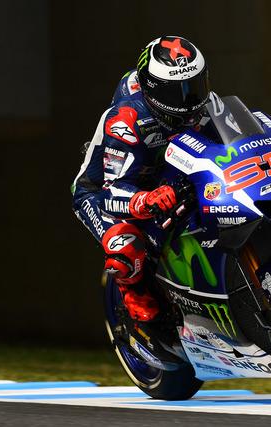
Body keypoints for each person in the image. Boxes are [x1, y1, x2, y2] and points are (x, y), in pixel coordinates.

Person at [71, 36, 212, 324]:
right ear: (154, 90)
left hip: (160, 173)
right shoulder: (126, 121)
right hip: (102, 191)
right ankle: (131, 290)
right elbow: (110, 193)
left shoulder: (202, 106)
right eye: (177, 92)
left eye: (194, 86)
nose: (189, 100)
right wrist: (145, 199)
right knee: (126, 243)